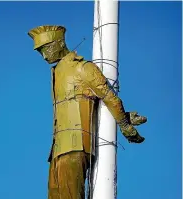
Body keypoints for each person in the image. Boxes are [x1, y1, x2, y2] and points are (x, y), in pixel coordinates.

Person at [28, 25, 147, 199]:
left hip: (76, 147)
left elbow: (109, 98)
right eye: (40, 52)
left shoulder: (82, 68)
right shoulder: (58, 72)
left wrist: (124, 123)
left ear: (60, 43)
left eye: (46, 48)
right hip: (57, 151)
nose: (45, 56)